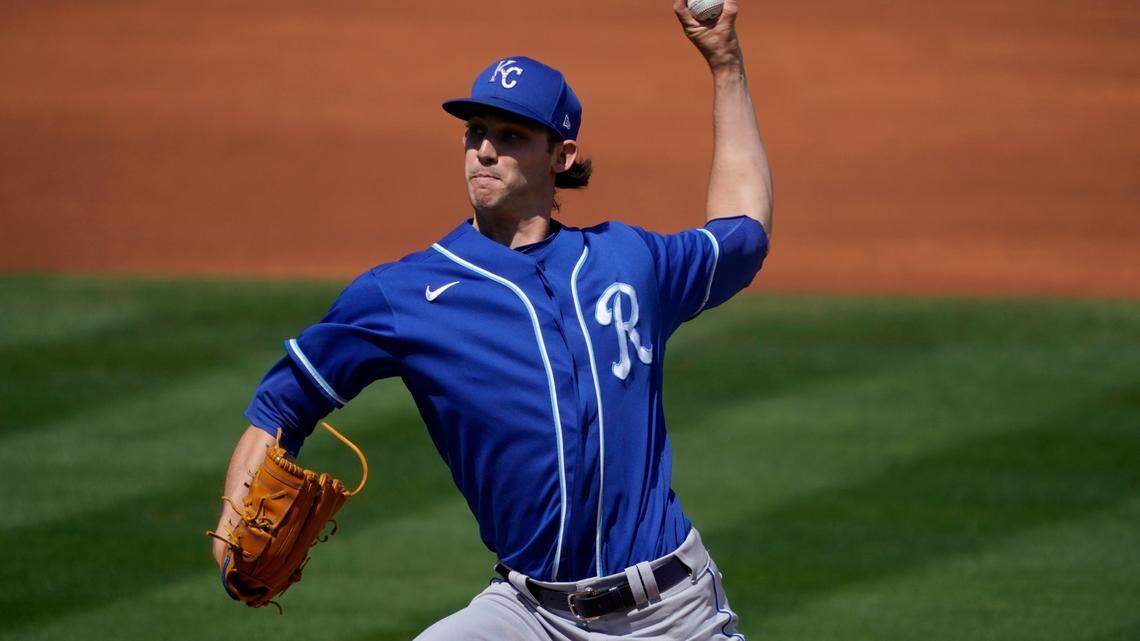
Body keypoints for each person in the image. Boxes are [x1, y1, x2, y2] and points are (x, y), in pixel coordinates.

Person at [211, 1, 772, 638]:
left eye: (510, 136)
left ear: (562, 157)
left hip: (671, 612)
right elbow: (284, 401)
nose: (484, 150)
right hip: (528, 615)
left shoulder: (629, 259)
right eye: (475, 130)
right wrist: (232, 530)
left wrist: (726, 64)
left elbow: (743, 233)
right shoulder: (404, 294)